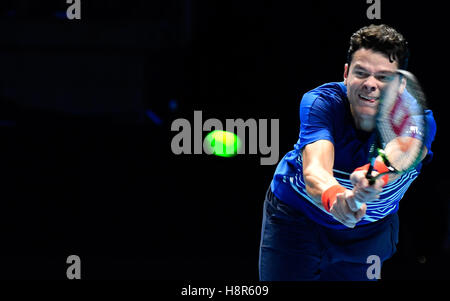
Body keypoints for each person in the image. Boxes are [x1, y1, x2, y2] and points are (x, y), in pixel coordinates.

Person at [258, 24, 437, 281]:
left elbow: (403, 151)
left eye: (384, 77)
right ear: (346, 74)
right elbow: (315, 170)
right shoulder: (321, 103)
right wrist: (335, 197)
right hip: (295, 220)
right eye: (361, 73)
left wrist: (374, 174)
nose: (370, 85)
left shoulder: (417, 118)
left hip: (367, 235)